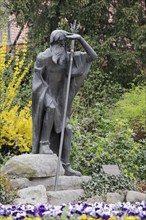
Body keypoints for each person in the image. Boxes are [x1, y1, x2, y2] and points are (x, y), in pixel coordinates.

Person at [32, 29, 97, 176]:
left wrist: (80, 38)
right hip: (45, 94)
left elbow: (92, 56)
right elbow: (37, 81)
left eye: (62, 43)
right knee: (51, 108)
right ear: (51, 43)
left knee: (67, 130)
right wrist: (45, 97)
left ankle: (65, 166)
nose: (59, 46)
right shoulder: (43, 57)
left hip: (61, 100)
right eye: (56, 43)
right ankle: (43, 145)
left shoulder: (69, 59)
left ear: (65, 45)